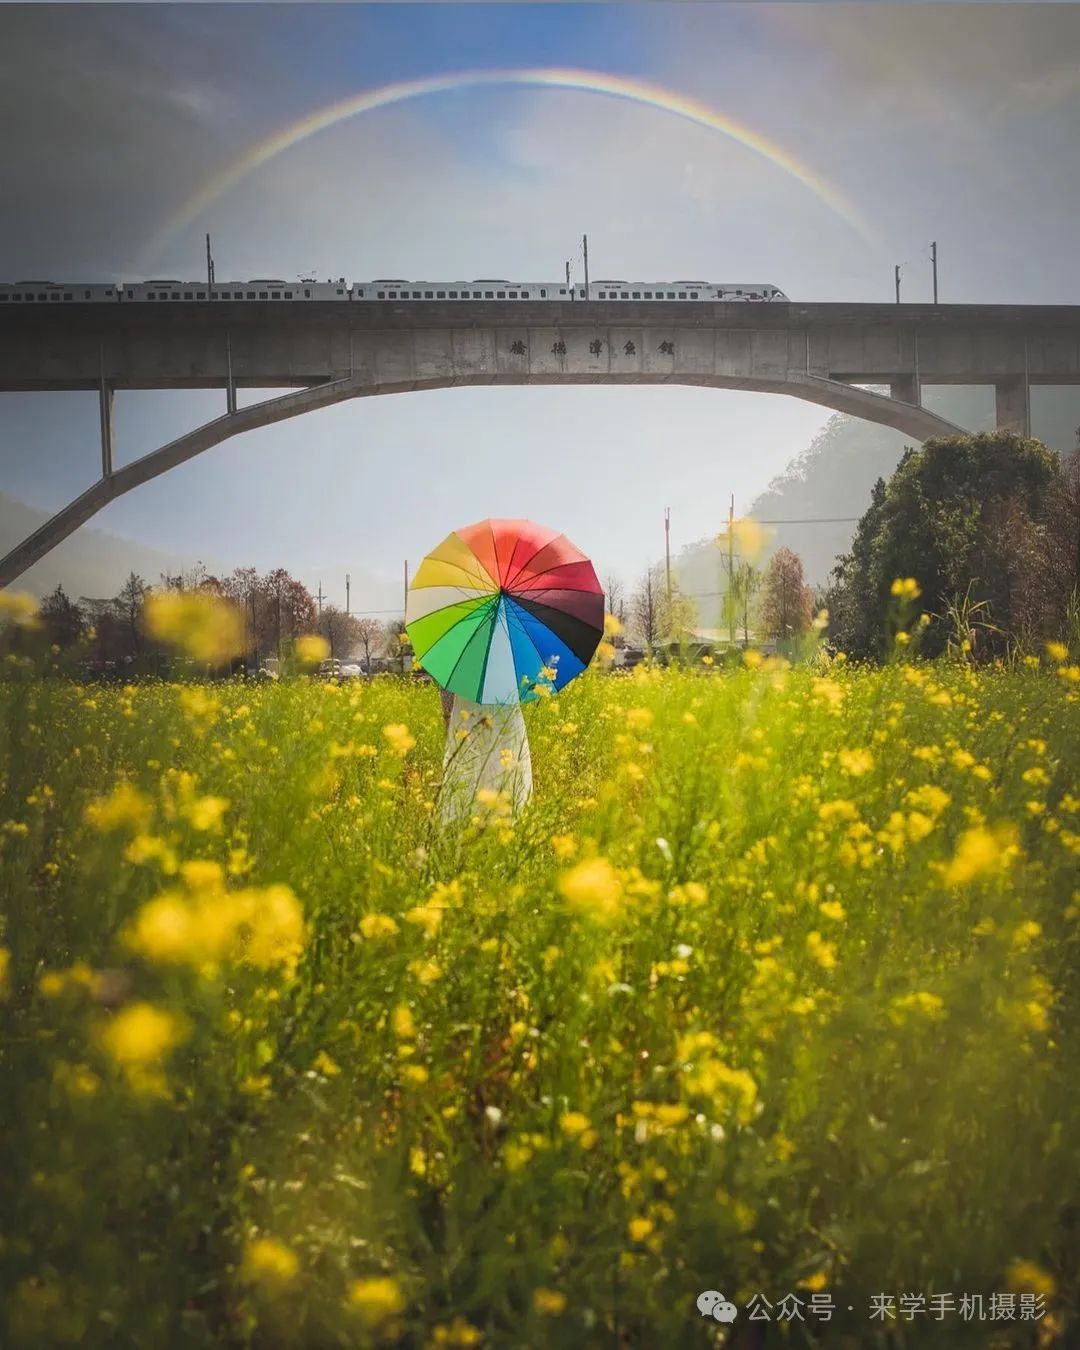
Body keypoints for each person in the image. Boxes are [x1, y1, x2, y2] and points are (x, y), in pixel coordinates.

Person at [437, 686, 533, 826]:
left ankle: (469, 816)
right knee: (499, 758)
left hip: (478, 702)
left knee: (479, 757)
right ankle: (502, 813)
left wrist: (446, 713)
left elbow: (445, 684)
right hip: (493, 702)